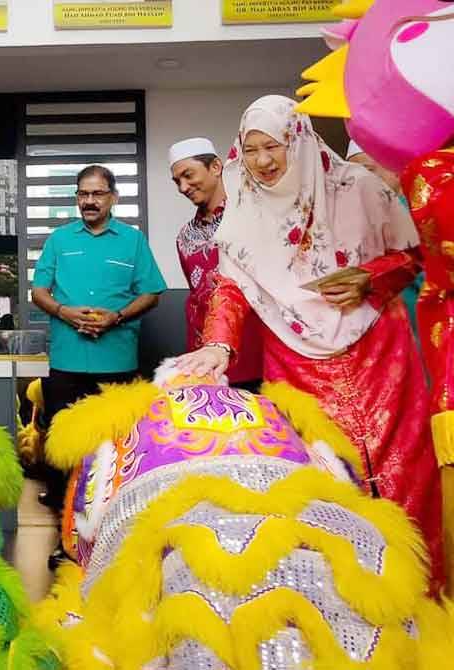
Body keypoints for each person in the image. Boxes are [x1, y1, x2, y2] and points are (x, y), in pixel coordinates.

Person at [176, 95, 443, 589]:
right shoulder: (243, 214)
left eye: (273, 146)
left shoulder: (359, 188)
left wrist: (370, 276)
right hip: (294, 358)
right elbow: (231, 288)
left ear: (297, 140)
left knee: (405, 471)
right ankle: (341, 600)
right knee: (320, 477)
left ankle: (420, 596)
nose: (262, 161)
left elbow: (412, 256)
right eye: (250, 149)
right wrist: (218, 346)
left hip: (378, 353)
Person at [31, 164, 167, 432]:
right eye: (83, 195)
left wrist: (116, 317)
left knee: (117, 443)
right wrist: (63, 312)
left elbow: (151, 294)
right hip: (66, 361)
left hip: (117, 362)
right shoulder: (58, 239)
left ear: (113, 197)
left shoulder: (133, 240)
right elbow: (38, 292)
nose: (89, 201)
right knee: (64, 445)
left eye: (97, 194)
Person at [170, 137, 263, 387]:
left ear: (216, 167)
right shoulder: (184, 236)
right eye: (177, 181)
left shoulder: (253, 218)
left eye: (188, 175)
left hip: (255, 354)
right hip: (204, 361)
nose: (183, 187)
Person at [346, 139, 424, 340]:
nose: (360, 180)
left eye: (368, 170)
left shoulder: (420, 209)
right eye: (352, 175)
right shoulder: (354, 218)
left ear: (396, 169)